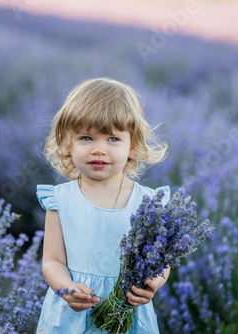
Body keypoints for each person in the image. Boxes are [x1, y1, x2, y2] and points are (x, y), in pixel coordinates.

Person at [36, 77, 171, 333]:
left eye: (112, 139)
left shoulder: (149, 204)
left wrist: (153, 284)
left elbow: (161, 260)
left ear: (133, 145)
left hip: (128, 312)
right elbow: (52, 261)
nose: (99, 149)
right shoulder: (60, 200)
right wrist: (67, 289)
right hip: (72, 314)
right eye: (86, 138)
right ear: (67, 143)